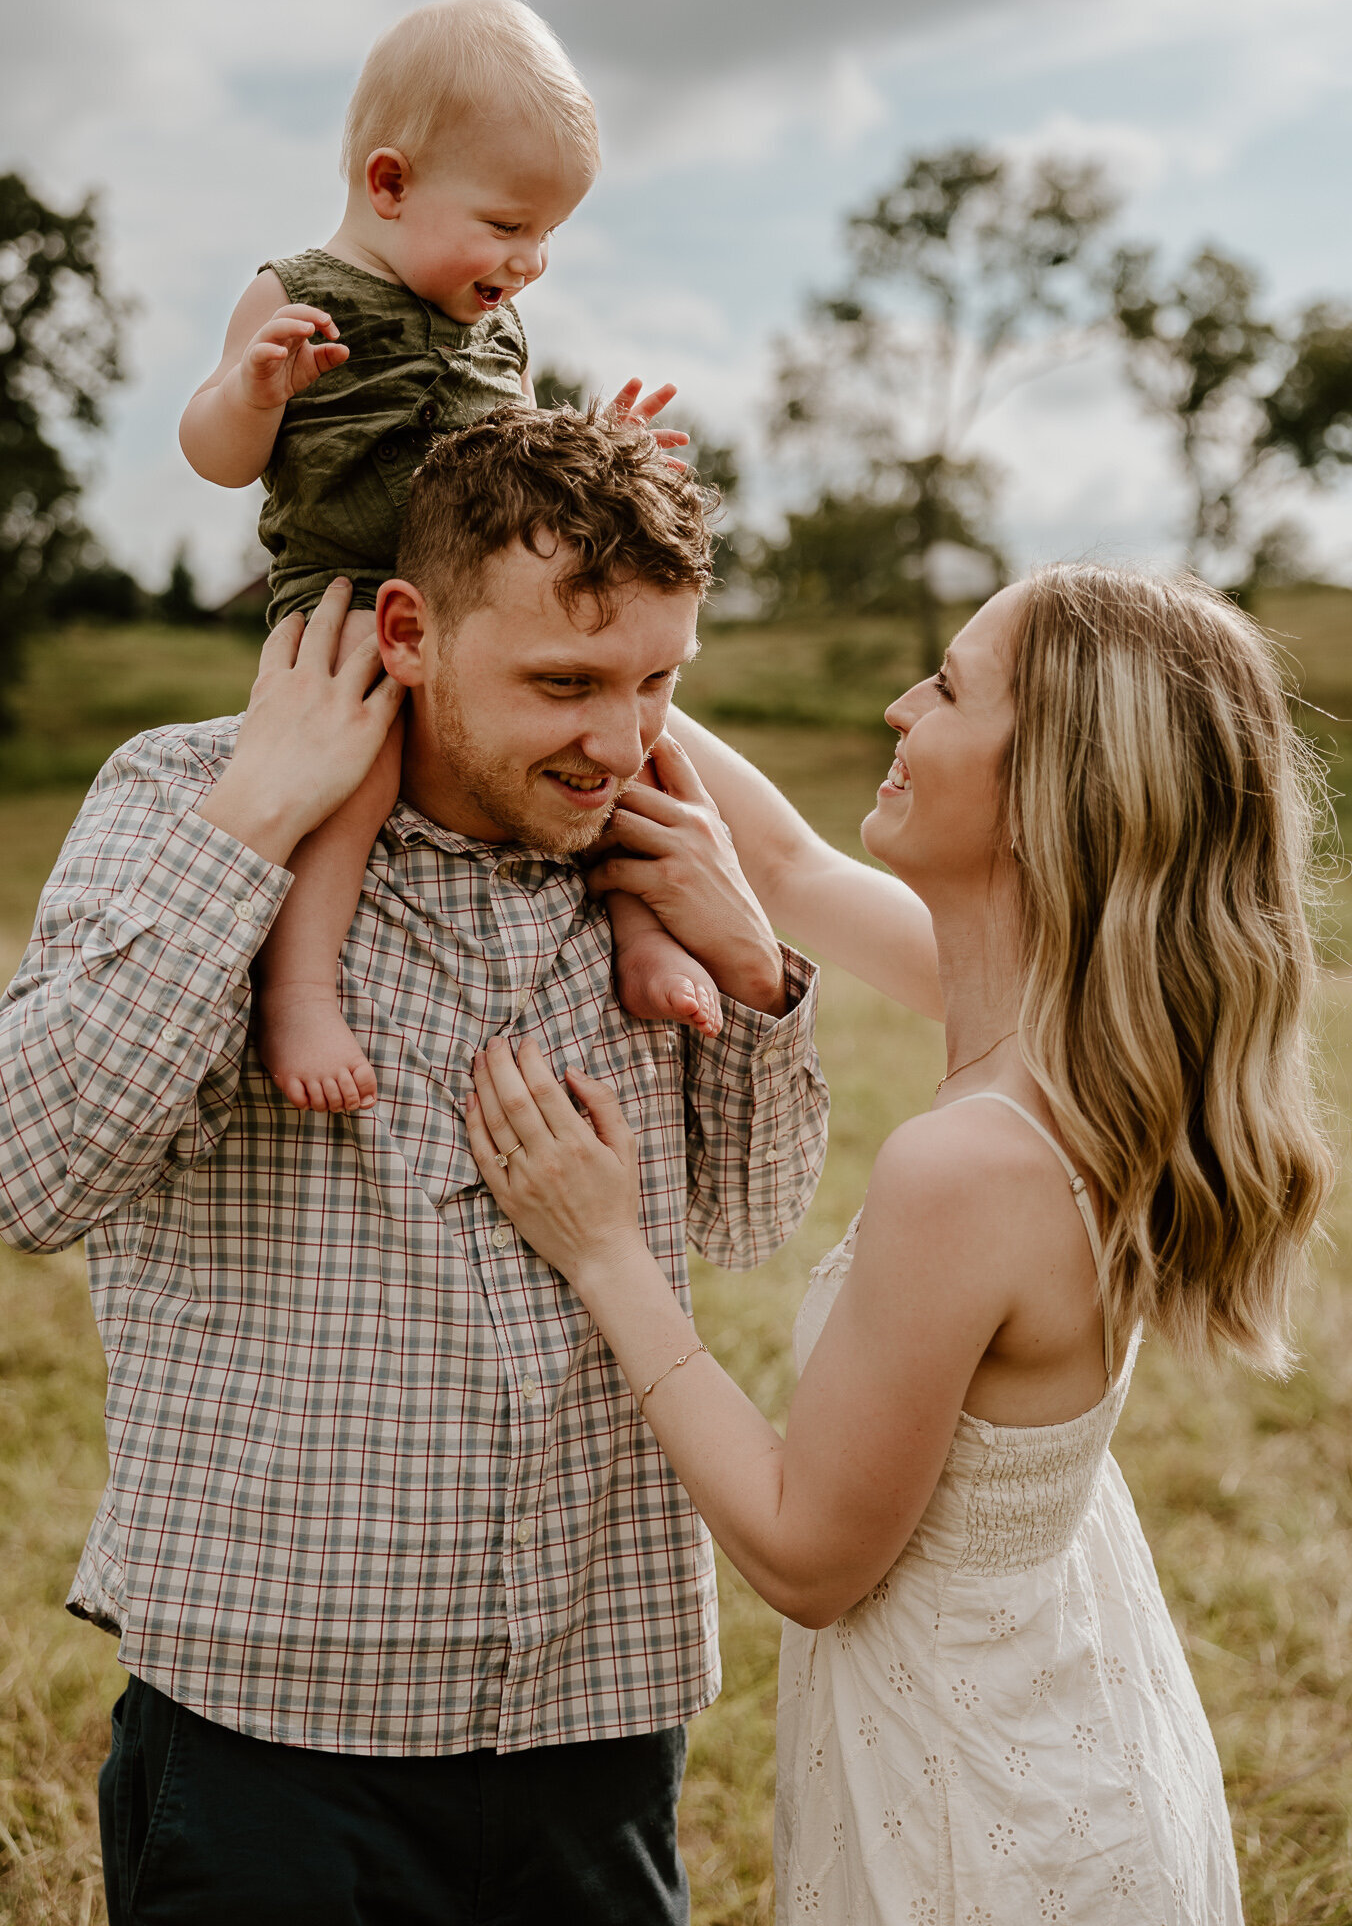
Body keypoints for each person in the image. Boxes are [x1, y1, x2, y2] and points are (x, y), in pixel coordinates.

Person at [0, 405, 839, 1924]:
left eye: (657, 683)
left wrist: (755, 977)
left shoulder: (650, 855)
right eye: (564, 684)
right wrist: (259, 817)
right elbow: (32, 1176)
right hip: (275, 1723)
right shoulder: (188, 798)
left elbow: (752, 1216)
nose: (619, 739)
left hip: (599, 1705)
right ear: (409, 627)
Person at [469, 563, 1333, 1924]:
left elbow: (809, 1559)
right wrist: (627, 667)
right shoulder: (1076, 1035)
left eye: (944, 686)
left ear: (1054, 778)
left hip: (981, 1818)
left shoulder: (972, 1164)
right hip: (1053, 1723)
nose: (895, 706)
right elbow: (786, 865)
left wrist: (605, 1252)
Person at [180, 0, 722, 1117]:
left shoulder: (498, 328)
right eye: (509, 226)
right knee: (357, 766)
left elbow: (521, 473)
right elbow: (216, 456)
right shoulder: (298, 295)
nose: (529, 263)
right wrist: (251, 391)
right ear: (390, 184)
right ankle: (300, 984)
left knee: (619, 751)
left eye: (548, 238)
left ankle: (643, 935)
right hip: (343, 602)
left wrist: (602, 447)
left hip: (480, 611)